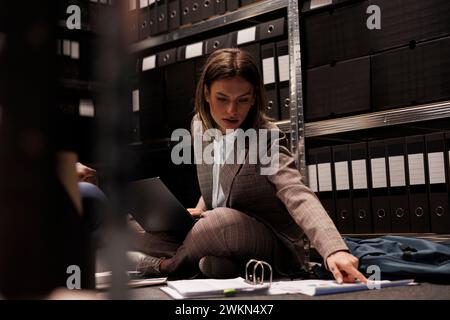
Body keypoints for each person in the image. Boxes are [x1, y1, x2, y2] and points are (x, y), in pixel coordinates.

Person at [129, 48, 367, 284]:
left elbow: (296, 192)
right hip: (215, 226)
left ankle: (165, 266)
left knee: (218, 224)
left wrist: (334, 249)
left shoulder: (265, 138)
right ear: (206, 93)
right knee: (133, 228)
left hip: (268, 237)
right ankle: (225, 264)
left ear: (254, 98)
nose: (232, 110)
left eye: (242, 100)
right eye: (222, 99)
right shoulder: (199, 125)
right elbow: (217, 180)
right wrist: (198, 209)